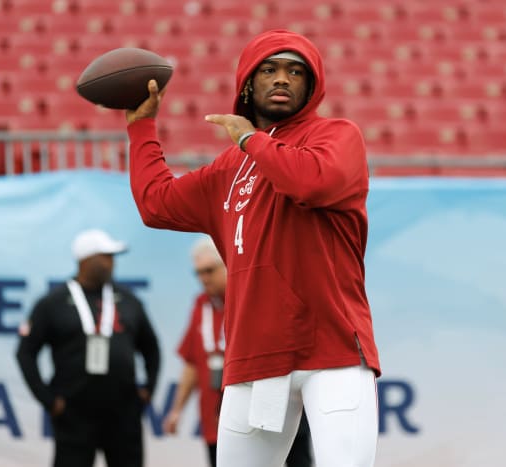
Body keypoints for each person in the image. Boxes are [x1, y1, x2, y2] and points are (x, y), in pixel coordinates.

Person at [125, 29, 381, 467]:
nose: (282, 79)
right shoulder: (228, 168)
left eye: (295, 71)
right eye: (269, 69)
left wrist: (250, 139)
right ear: (247, 83)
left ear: (312, 86)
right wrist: (141, 127)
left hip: (333, 350)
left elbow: (311, 181)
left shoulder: (337, 135)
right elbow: (155, 203)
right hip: (255, 356)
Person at [163, 236, 313, 467]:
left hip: (275, 404)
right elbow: (193, 362)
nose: (203, 279)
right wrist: (177, 410)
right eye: (198, 273)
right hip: (220, 415)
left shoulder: (257, 295)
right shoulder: (200, 305)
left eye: (209, 271)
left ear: (227, 263)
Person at [15, 228, 160, 467]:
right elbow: (25, 352)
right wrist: (48, 399)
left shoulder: (127, 299)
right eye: (106, 256)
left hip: (123, 411)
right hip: (74, 412)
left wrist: (148, 388)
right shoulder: (53, 302)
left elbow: (151, 347)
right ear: (86, 260)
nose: (112, 263)